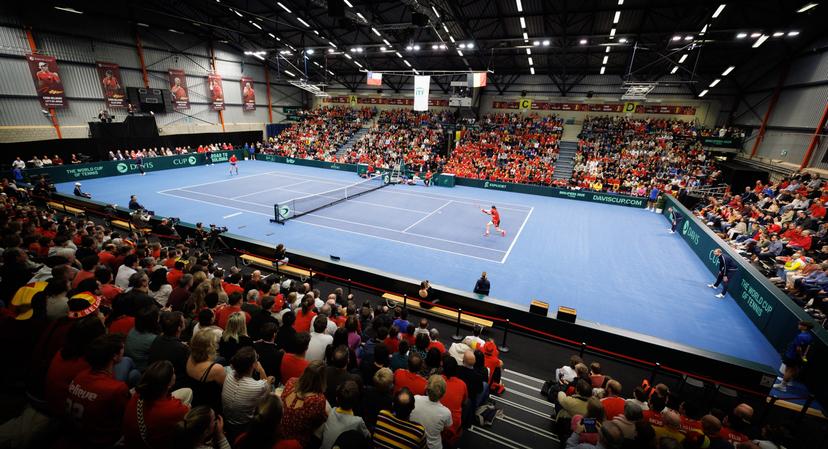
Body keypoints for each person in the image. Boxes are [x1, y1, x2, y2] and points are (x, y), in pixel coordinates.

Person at [62, 334, 130, 449]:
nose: (124, 350)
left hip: (78, 435)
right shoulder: (117, 388)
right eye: (122, 348)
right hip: (103, 441)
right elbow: (127, 418)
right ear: (114, 356)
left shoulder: (79, 376)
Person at [123, 361, 191, 449]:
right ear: (168, 384)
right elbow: (184, 412)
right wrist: (185, 409)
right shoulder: (174, 410)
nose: (175, 374)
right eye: (173, 373)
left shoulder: (138, 394)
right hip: (155, 443)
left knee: (187, 391)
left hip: (131, 441)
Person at [222, 347, 274, 439]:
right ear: (253, 365)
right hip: (245, 426)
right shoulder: (257, 386)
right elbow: (268, 389)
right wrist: (262, 370)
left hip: (227, 421)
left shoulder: (229, 375)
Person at [280, 360, 329, 448]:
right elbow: (319, 421)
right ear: (322, 379)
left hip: (280, 434)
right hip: (298, 442)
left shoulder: (290, 382)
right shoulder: (318, 400)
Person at [184, 328, 226, 413]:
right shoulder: (216, 368)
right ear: (210, 347)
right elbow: (226, 388)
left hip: (195, 401)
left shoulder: (190, 357)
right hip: (210, 407)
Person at [320, 380, 371, 449]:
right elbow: (368, 436)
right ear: (356, 402)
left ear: (337, 399)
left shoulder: (331, 411)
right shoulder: (358, 421)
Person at [410, 375, 453, 449]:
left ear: (427, 388)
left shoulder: (415, 399)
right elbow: (447, 428)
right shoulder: (446, 413)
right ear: (443, 393)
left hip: (413, 442)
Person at [773, 320, 814, 391]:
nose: (798, 326)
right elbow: (808, 347)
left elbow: (798, 349)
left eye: (800, 325)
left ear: (805, 327)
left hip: (793, 356)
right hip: (797, 357)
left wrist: (801, 356)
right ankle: (787, 381)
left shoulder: (801, 336)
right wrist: (804, 356)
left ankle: (782, 386)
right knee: (791, 369)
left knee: (789, 370)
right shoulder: (810, 336)